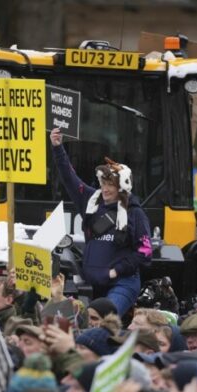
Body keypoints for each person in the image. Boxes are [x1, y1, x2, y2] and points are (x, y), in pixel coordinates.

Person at [50, 128, 152, 315]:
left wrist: (116, 271)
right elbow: (69, 177)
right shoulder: (91, 201)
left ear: (121, 187)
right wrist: (58, 148)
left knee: (103, 321)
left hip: (123, 283)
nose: (105, 189)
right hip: (92, 285)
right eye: (103, 183)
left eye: (111, 185)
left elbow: (145, 252)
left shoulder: (135, 214)